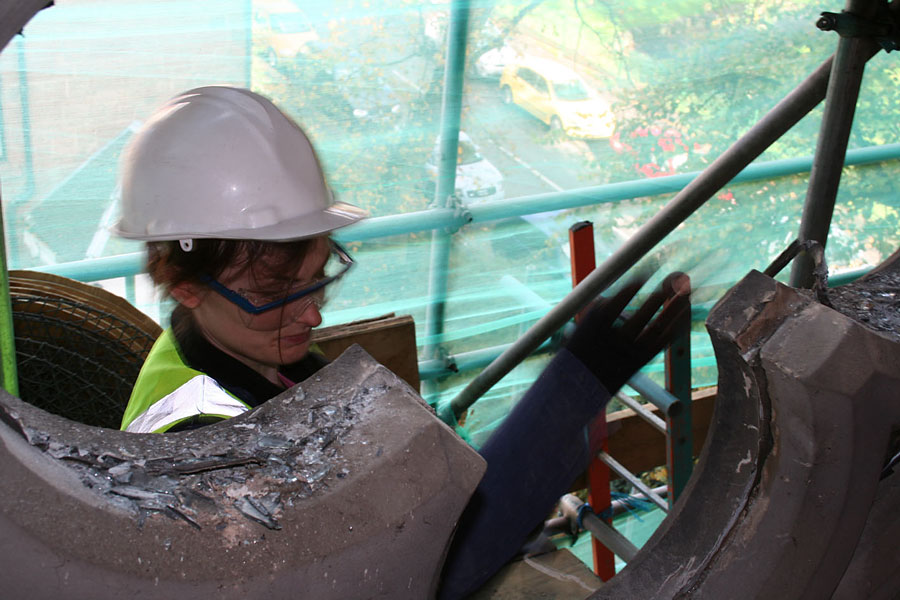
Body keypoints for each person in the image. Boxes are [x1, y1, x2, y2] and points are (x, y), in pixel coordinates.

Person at [114, 86, 689, 598]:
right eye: (274, 293)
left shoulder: (258, 361)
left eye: (318, 276)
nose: (312, 311)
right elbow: (420, 569)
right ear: (185, 286)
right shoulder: (196, 457)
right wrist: (567, 395)